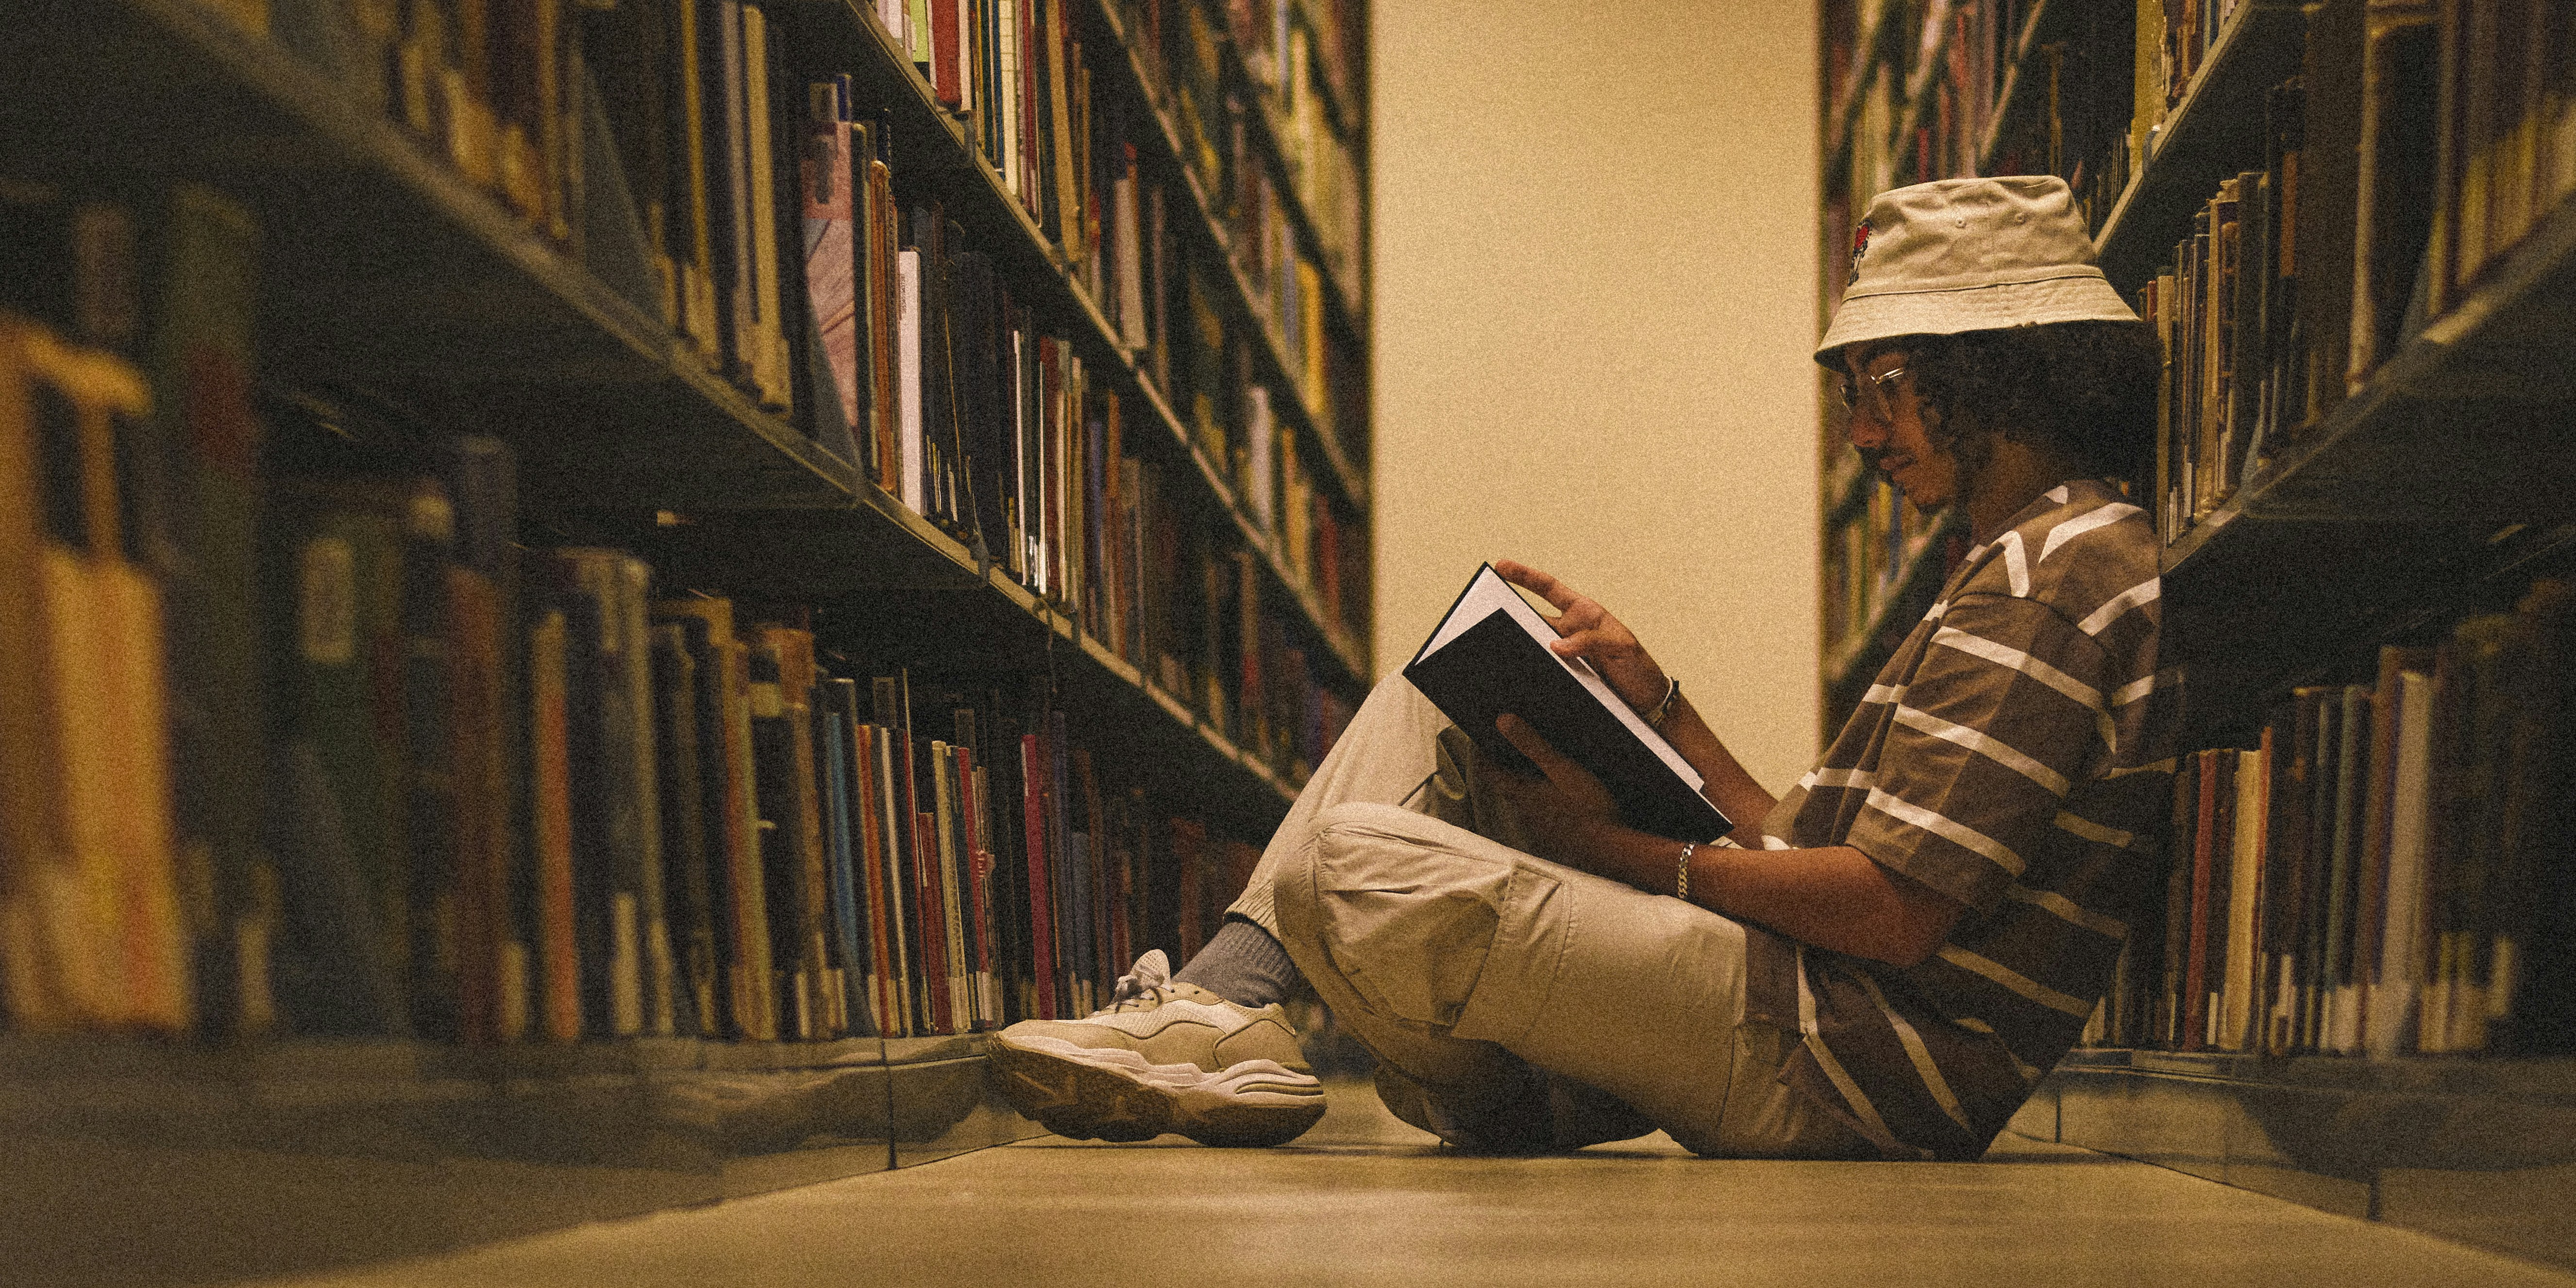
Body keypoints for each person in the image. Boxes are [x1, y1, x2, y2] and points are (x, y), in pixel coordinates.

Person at [986, 175, 2178, 1161]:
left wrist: (1602, 848)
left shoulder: (2055, 575)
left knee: (1352, 866)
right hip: (1811, 1013)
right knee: (1444, 696)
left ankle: (1448, 1073)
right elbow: (1797, 842)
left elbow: (1893, 913)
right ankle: (1233, 1009)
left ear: (1996, 376)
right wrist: (1656, 707)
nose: (1865, 434)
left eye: (1886, 388)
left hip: (1850, 1068)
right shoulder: (2029, 561)